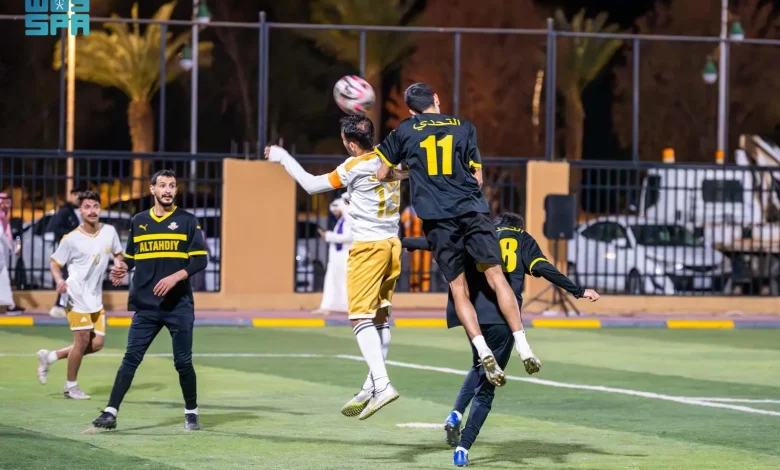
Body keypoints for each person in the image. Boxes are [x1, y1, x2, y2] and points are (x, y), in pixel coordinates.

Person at [402, 212, 600, 467]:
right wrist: (579, 290)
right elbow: (543, 268)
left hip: (474, 316)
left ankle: (456, 413)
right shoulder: (522, 238)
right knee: (487, 390)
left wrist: (403, 242)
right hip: (504, 319)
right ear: (518, 226)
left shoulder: (478, 235)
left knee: (479, 366)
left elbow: (438, 242)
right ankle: (463, 448)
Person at [376, 82, 540, 387]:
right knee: (497, 277)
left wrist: (412, 173)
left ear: (411, 110)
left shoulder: (405, 130)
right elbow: (477, 179)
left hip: (437, 219)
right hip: (471, 210)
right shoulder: (465, 127)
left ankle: (482, 349)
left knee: (458, 288)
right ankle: (523, 344)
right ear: (436, 99)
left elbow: (382, 174)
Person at [265, 114, 408, 420]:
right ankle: (371, 385)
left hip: (368, 248)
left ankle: (382, 384)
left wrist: (282, 157)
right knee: (380, 317)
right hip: (392, 245)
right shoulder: (390, 158)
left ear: (351, 143)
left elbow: (311, 185)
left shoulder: (352, 167)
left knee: (359, 318)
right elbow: (403, 173)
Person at [91, 170, 208, 431]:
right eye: (162, 185)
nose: (168, 190)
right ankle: (110, 412)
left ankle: (191, 411)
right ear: (152, 189)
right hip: (145, 306)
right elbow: (132, 257)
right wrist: (122, 267)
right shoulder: (139, 220)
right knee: (131, 358)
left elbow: (200, 260)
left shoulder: (188, 220)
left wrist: (175, 277)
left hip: (178, 305)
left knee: (183, 362)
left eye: (172, 186)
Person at [35, 191, 124, 399]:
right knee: (82, 340)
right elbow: (55, 264)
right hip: (75, 296)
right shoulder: (71, 239)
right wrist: (59, 280)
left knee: (97, 344)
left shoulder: (110, 231)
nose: (92, 211)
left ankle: (50, 357)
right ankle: (71, 387)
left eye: (95, 206)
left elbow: (118, 254)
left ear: (100, 209)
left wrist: (119, 265)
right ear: (80, 211)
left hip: (95, 298)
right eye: (87, 207)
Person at [312, 197, 352, 315]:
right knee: (331, 281)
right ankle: (327, 306)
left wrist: (329, 236)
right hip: (336, 257)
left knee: (346, 282)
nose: (334, 213)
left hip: (345, 256)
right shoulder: (341, 221)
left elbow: (348, 237)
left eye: (336, 210)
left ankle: (347, 306)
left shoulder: (349, 220)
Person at [49, 186, 84, 317]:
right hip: (67, 249)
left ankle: (68, 305)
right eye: (77, 195)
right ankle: (59, 305)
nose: (79, 198)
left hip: (78, 250)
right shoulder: (64, 211)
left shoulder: (82, 210)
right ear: (72, 195)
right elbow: (57, 228)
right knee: (66, 277)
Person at [0, 192, 22, 314]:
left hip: (3, 255)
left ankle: (11, 305)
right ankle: (11, 305)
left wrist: (16, 247)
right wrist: (11, 247)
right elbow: (2, 235)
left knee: (4, 279)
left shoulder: (8, 219)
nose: (6, 205)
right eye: (4, 203)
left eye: (8, 203)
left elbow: (17, 236)